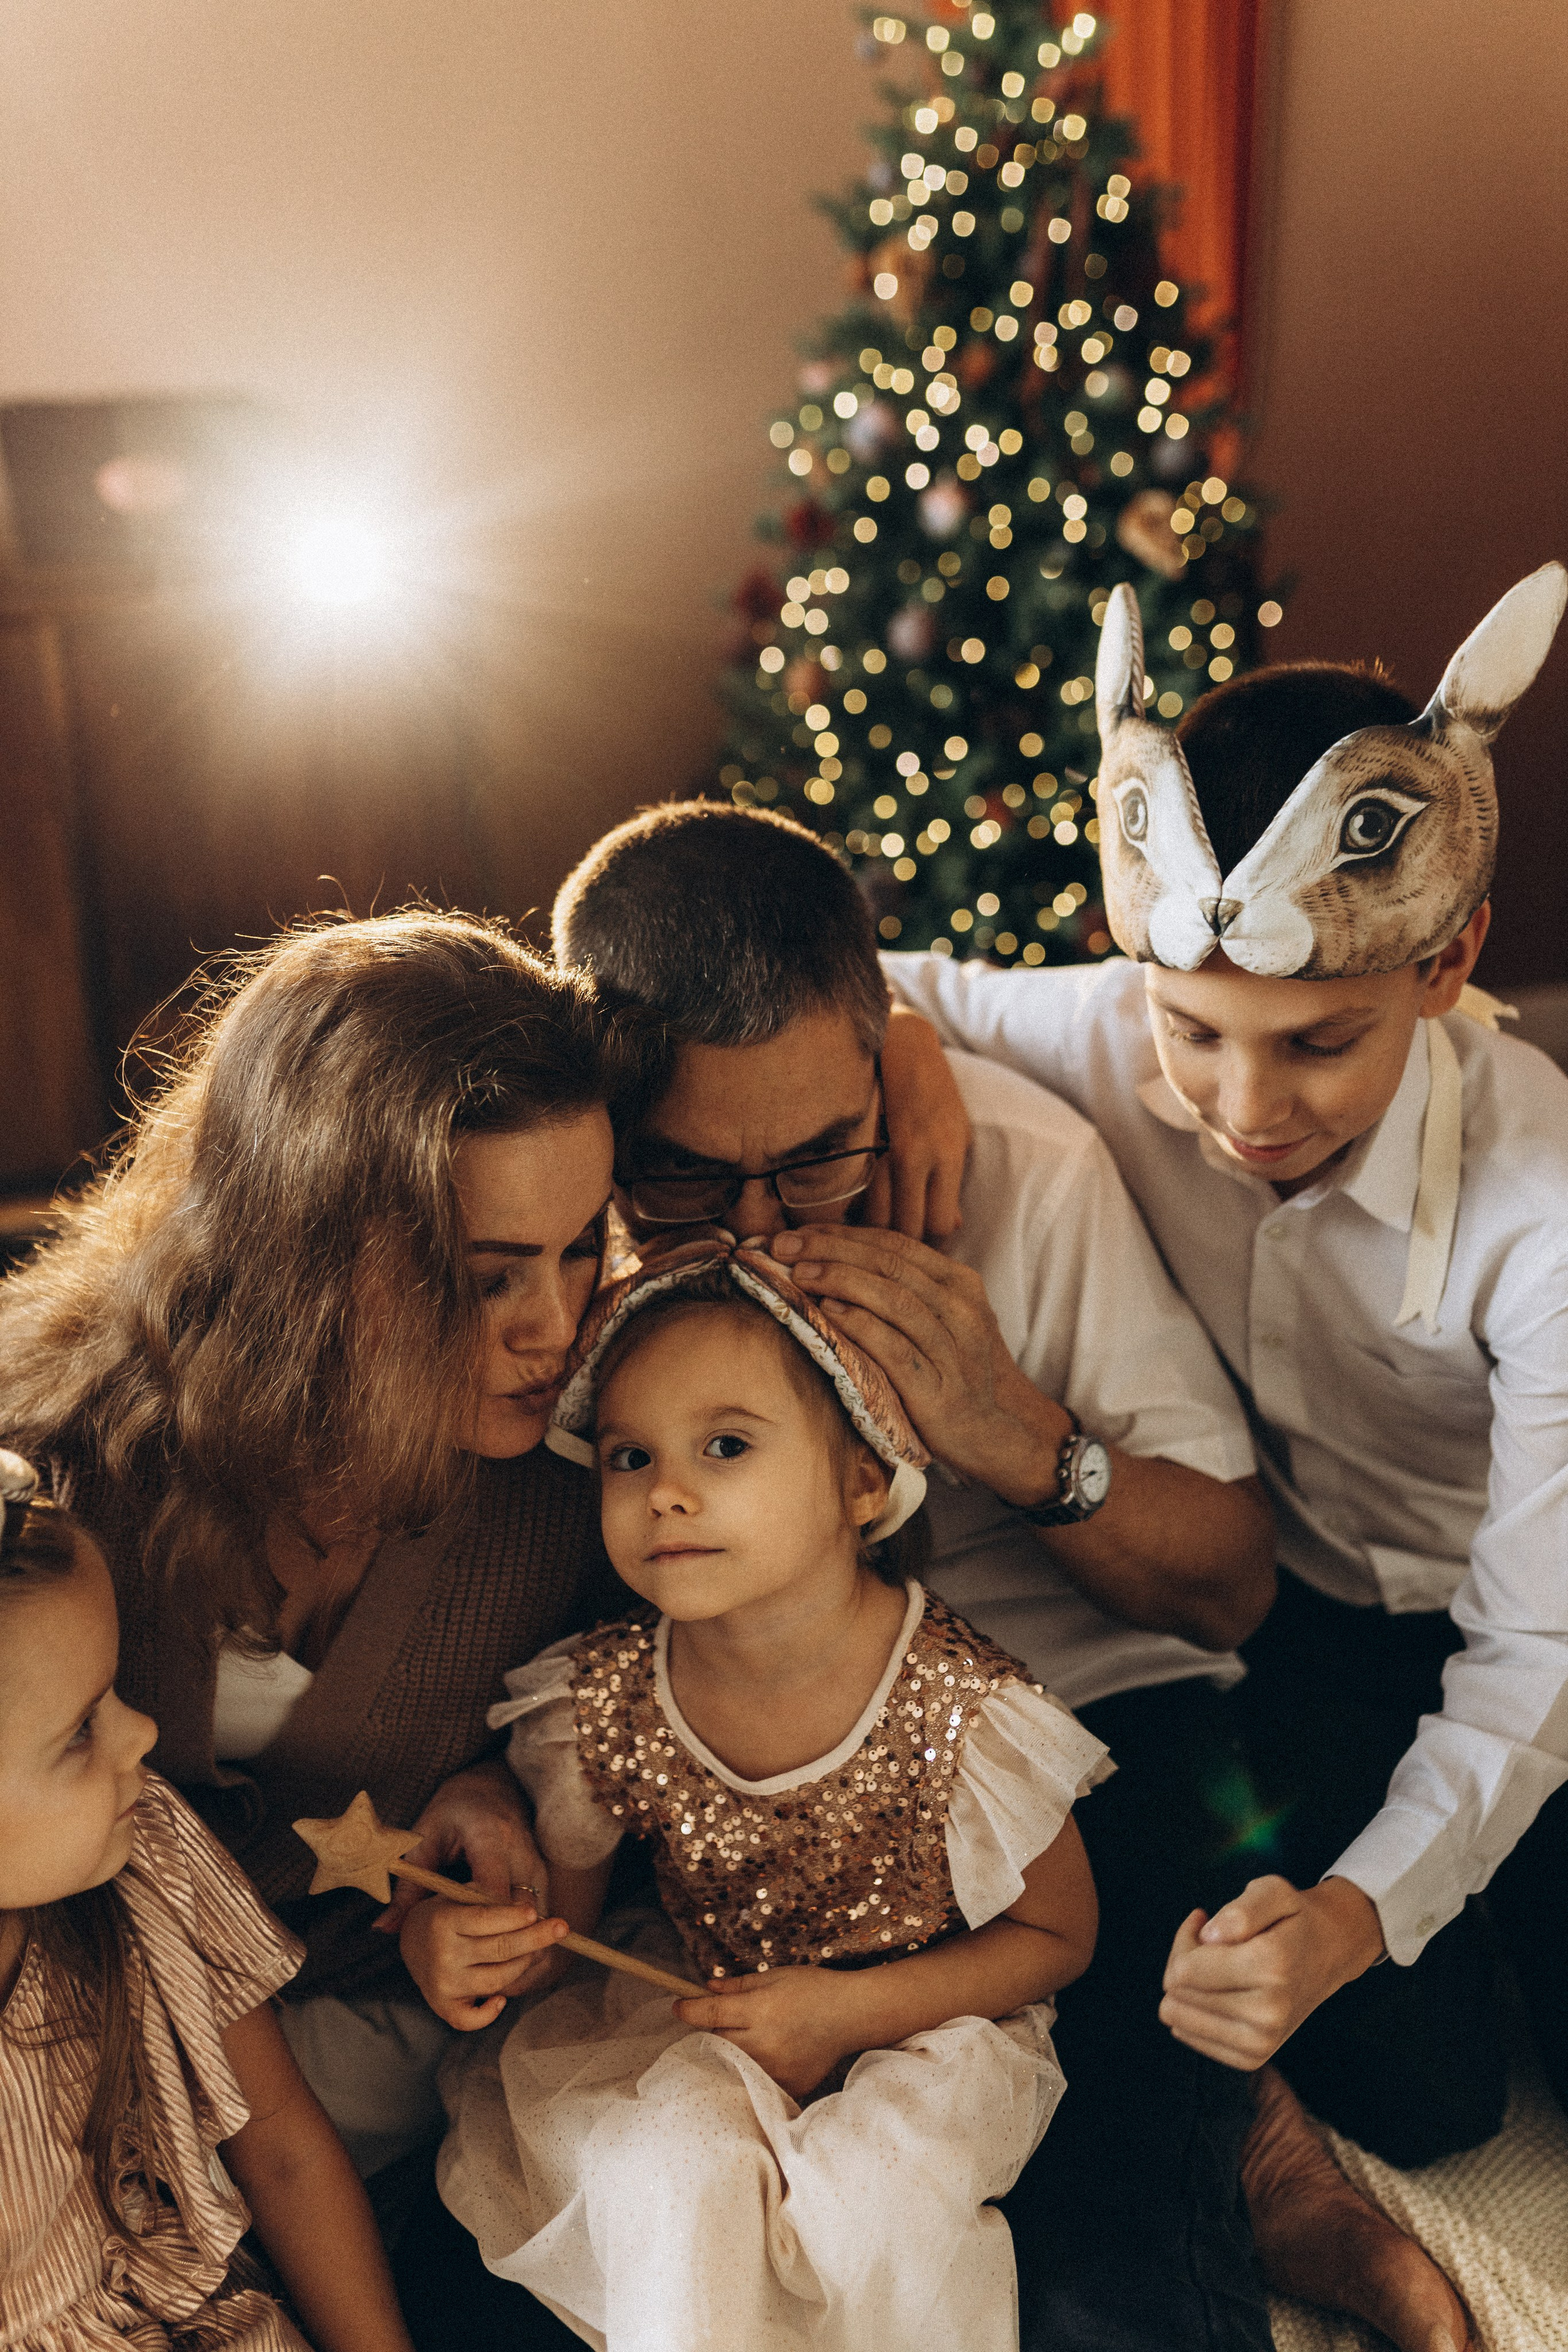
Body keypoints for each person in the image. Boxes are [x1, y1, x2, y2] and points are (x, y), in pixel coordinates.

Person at [884, 563, 1568, 2352]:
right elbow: (858, 970)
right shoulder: (1113, 1030)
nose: (1244, 1106)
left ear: (1449, 962)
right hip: (1309, 1627)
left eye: (1319, 1046)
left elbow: (1535, 1656)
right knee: (1422, 2090)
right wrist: (902, 1045)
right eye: (1195, 1036)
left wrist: (1364, 1912)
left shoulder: (1546, 1208)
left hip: (1532, 1622)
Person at [551, 800, 1284, 2352]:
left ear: (874, 1074)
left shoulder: (1020, 1168)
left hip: (1052, 1738)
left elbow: (1231, 1593)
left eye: (815, 1162)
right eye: (685, 1180)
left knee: (1090, 2264)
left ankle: (1265, 2170)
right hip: (724, 1755)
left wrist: (1018, 1439)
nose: (753, 1233)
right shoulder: (554, 1222)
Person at [0, 911, 644, 2194]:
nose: (558, 1327)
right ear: (302, 1253)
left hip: (360, 2112)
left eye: (584, 1251)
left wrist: (484, 1804)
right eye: (488, 1277)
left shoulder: (579, 1500)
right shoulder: (53, 1476)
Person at [410, 1237, 1107, 2352]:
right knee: (667, 2168)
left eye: (725, 1446)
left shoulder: (960, 1707)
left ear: (861, 1481)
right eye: (629, 1459)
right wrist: (467, 1944)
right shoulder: (602, 1698)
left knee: (870, 2215)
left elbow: (1059, 1936)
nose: (667, 1492)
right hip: (700, 2011)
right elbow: (565, 1938)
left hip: (916, 2031)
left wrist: (847, 2012)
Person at [0, 1450, 414, 2352]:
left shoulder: (145, 1845)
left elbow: (285, 2150)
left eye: (114, 1695)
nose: (142, 1732)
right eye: (80, 1730)